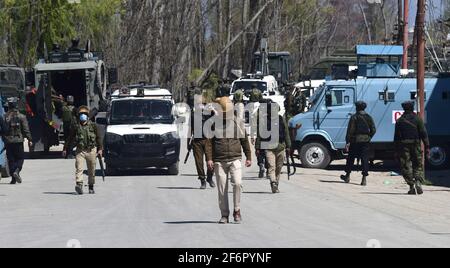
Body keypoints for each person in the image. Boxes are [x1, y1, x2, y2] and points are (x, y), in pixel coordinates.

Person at [206, 96, 252, 224]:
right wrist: (209, 159)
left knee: (237, 183)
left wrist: (249, 156)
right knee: (222, 189)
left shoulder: (238, 122)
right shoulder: (213, 123)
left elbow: (244, 140)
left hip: (235, 158)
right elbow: (209, 143)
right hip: (219, 161)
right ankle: (224, 214)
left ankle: (237, 210)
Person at [63, 106, 103, 195]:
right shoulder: (76, 127)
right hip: (80, 150)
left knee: (91, 170)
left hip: (91, 150)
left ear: (87, 116)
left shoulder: (93, 125)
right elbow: (69, 138)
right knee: (79, 168)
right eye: (81, 114)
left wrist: (100, 149)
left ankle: (91, 186)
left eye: (84, 114)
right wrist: (65, 149)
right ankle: (79, 185)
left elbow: (99, 138)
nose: (83, 116)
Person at [255, 100, 291, 193]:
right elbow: (260, 134)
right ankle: (273, 182)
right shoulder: (264, 120)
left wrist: (288, 146)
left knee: (278, 168)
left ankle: (276, 183)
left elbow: (286, 133)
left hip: (280, 147)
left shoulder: (281, 119)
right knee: (271, 167)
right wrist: (257, 147)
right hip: (269, 147)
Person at [394, 101, 430, 195]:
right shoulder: (417, 119)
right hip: (416, 145)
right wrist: (427, 146)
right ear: (412, 108)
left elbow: (396, 137)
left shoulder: (399, 121)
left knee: (406, 166)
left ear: (404, 109)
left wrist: (395, 150)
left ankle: (411, 186)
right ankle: (418, 182)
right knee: (418, 164)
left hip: (403, 146)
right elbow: (423, 133)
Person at [340, 101, 376, 186]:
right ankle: (364, 179)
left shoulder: (354, 117)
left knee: (350, 158)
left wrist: (347, 141)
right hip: (365, 141)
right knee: (365, 159)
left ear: (357, 108)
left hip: (355, 141)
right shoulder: (369, 117)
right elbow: (373, 129)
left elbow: (350, 130)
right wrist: (368, 137)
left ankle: (347, 176)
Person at [189, 91, 215, 190]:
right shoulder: (193, 114)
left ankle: (209, 177)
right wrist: (188, 141)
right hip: (197, 140)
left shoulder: (210, 112)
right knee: (199, 162)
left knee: (211, 161)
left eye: (202, 103)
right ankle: (202, 180)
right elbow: (190, 128)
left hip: (208, 139)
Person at [4, 97, 32, 184]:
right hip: (18, 141)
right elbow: (26, 129)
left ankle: (13, 178)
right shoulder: (21, 116)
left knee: (11, 159)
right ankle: (17, 170)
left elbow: (3, 129)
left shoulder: (5, 117)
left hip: (8, 141)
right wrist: (29, 139)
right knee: (20, 158)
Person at [249, 88, 266, 178]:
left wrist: (252, 136)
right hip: (270, 137)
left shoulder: (257, 113)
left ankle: (261, 165)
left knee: (259, 152)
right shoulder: (271, 113)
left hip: (260, 136)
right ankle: (268, 167)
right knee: (268, 152)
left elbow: (253, 125)